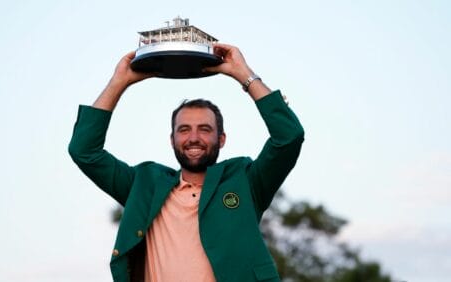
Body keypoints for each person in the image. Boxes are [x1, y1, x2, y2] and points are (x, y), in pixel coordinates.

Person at [68, 43, 304, 282]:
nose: (193, 138)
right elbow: (84, 150)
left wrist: (243, 74)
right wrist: (119, 82)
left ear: (221, 139)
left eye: (204, 129)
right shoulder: (143, 185)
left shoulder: (245, 181)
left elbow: (289, 137)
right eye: (184, 130)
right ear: (172, 140)